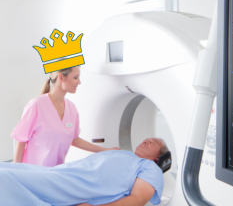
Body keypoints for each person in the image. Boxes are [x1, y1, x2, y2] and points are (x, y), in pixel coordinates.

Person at [0, 137, 168, 206]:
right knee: (10, 167)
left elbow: (137, 199)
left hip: (75, 185)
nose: (147, 140)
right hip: (63, 173)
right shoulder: (122, 153)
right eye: (147, 139)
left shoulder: (150, 168)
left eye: (153, 142)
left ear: (157, 157)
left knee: (5, 178)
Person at [11, 66, 119, 167]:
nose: (79, 82)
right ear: (61, 77)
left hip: (56, 172)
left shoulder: (72, 108)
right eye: (75, 77)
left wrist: (104, 150)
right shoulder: (36, 105)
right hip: (33, 172)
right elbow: (21, 140)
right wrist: (16, 173)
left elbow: (74, 139)